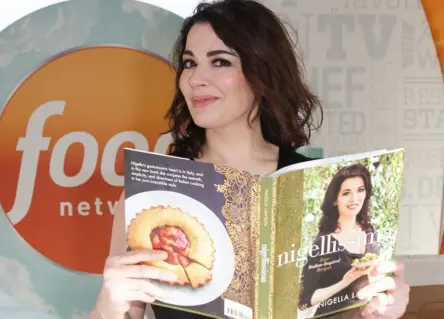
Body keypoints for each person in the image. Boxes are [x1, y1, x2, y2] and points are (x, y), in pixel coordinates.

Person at [90, 1, 410, 318]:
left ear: (261, 71)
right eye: (190, 63)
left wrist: (379, 313)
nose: (195, 79)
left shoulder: (321, 185)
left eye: (220, 62)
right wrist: (109, 305)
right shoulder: (152, 193)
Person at [298, 164, 382, 317]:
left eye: (360, 190)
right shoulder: (323, 243)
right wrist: (345, 281)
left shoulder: (370, 231)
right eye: (346, 193)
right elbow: (305, 301)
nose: (355, 199)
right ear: (335, 200)